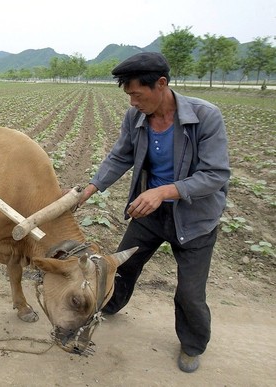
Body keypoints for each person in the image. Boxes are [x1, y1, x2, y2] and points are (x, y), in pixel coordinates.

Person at [77, 52, 230, 373]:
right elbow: (120, 156)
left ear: (161, 84)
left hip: (195, 219)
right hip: (150, 215)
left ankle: (192, 344)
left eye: (137, 94)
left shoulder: (206, 117)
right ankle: (111, 305)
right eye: (128, 95)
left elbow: (215, 174)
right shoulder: (136, 118)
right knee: (122, 266)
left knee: (190, 293)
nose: (132, 101)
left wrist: (164, 191)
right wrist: (89, 189)